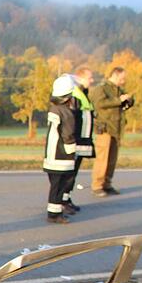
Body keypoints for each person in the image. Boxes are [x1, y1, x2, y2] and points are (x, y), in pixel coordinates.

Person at [89, 66, 134, 197]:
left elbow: (122, 104)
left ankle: (107, 184)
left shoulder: (118, 89)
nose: (123, 81)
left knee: (112, 159)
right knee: (102, 159)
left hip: (116, 128)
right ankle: (97, 185)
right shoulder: (101, 88)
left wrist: (129, 100)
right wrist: (118, 100)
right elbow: (99, 103)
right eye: (122, 78)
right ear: (115, 75)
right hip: (105, 128)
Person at [43, 75, 79, 224]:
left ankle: (54, 211)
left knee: (54, 185)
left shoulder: (54, 109)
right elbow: (68, 134)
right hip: (62, 155)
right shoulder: (66, 113)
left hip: (51, 154)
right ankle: (54, 214)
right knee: (60, 185)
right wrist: (72, 151)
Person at [63, 66, 96, 213]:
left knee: (73, 172)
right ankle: (63, 200)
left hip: (82, 140)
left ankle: (66, 198)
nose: (92, 80)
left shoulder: (83, 93)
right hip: (76, 140)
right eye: (90, 78)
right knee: (69, 172)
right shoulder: (76, 94)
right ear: (80, 78)